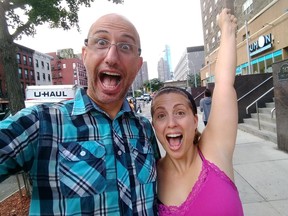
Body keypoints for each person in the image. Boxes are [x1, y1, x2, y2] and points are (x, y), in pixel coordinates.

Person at [0, 13, 160, 215]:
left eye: (125, 47)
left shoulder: (144, 129)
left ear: (138, 65)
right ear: (84, 55)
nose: (111, 57)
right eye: (101, 42)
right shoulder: (42, 123)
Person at [151, 8, 244, 216]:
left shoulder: (214, 150)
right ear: (154, 126)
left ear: (195, 121)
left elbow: (224, 83)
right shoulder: (150, 177)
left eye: (180, 112)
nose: (171, 122)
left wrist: (227, 31)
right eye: (161, 115)